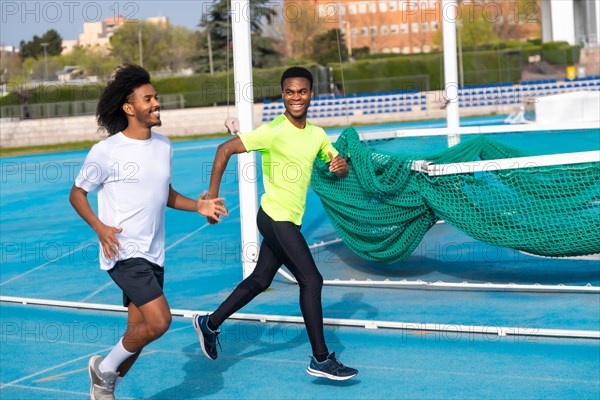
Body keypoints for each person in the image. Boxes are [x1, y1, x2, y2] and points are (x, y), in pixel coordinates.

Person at [69, 64, 227, 400]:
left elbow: (164, 193)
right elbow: (77, 193)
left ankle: (104, 386)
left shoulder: (164, 145)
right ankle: (103, 369)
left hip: (154, 252)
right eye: (148, 98)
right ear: (129, 108)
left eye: (155, 97)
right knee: (159, 322)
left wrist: (198, 206)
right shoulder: (107, 151)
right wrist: (100, 228)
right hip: (123, 251)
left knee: (137, 332)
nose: (156, 103)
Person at [192, 66, 358, 380]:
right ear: (282, 95)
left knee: (260, 281)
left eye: (302, 91)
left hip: (289, 220)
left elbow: (339, 167)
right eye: (290, 92)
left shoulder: (318, 135)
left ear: (312, 94)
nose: (296, 97)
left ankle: (209, 323)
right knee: (313, 281)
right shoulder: (273, 130)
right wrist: (210, 199)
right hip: (274, 216)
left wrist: (340, 167)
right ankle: (320, 359)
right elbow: (224, 149)